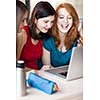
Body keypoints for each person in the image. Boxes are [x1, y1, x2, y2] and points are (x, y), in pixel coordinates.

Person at [42, 3, 83, 69]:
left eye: (69, 18)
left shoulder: (77, 40)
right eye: (61, 17)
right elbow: (47, 68)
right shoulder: (48, 40)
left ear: (73, 21)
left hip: (69, 77)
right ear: (55, 20)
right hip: (52, 76)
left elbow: (78, 67)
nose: (65, 21)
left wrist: (81, 32)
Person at [17, 1, 55, 70]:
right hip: (24, 76)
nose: (49, 26)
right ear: (35, 19)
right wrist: (37, 72)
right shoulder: (23, 33)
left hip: (36, 75)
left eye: (52, 22)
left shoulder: (43, 35)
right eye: (46, 22)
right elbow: (16, 65)